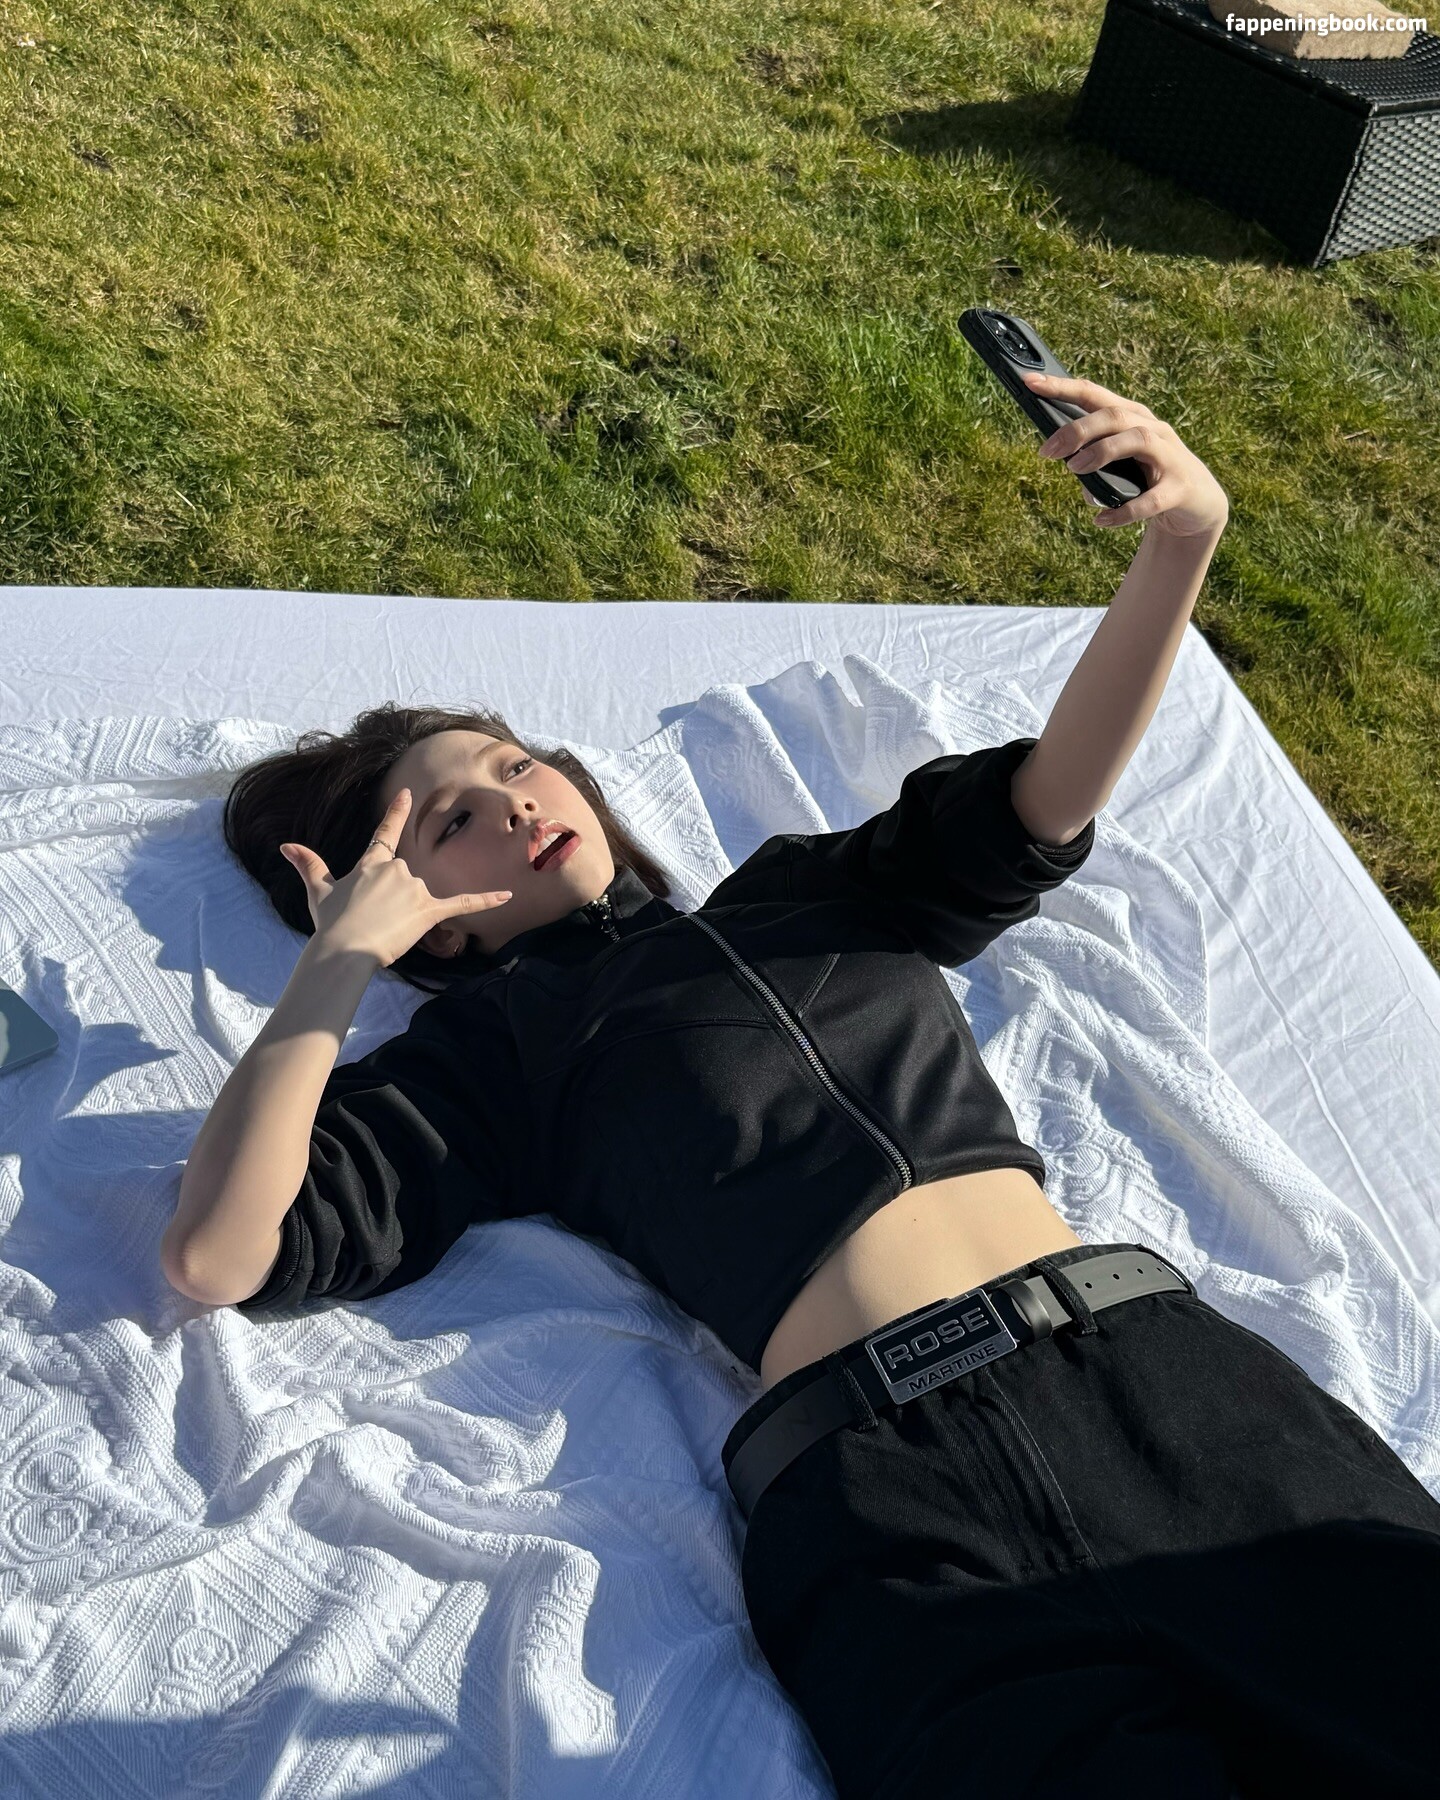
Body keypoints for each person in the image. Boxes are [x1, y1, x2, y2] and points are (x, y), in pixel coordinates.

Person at [159, 376, 1440, 1799]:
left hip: (1160, 1393)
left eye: (517, 763)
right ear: (431, 921)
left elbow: (1043, 802)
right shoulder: (492, 1060)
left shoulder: (806, 894)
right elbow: (219, 1255)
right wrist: (338, 966)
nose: (517, 799)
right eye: (457, 816)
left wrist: (1180, 545)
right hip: (890, 1504)